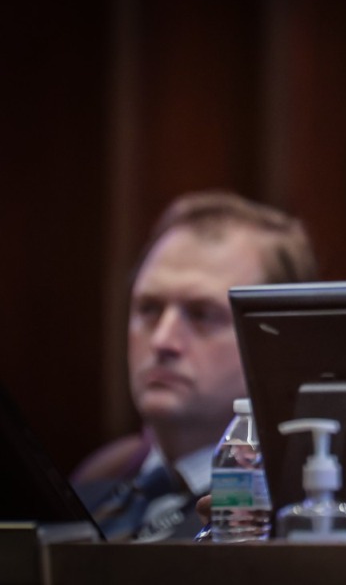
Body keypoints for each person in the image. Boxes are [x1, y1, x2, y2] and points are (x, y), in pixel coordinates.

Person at [71, 190, 318, 541]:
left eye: (202, 314)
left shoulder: (301, 513)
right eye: (149, 309)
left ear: (281, 341)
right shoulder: (91, 487)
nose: (162, 341)